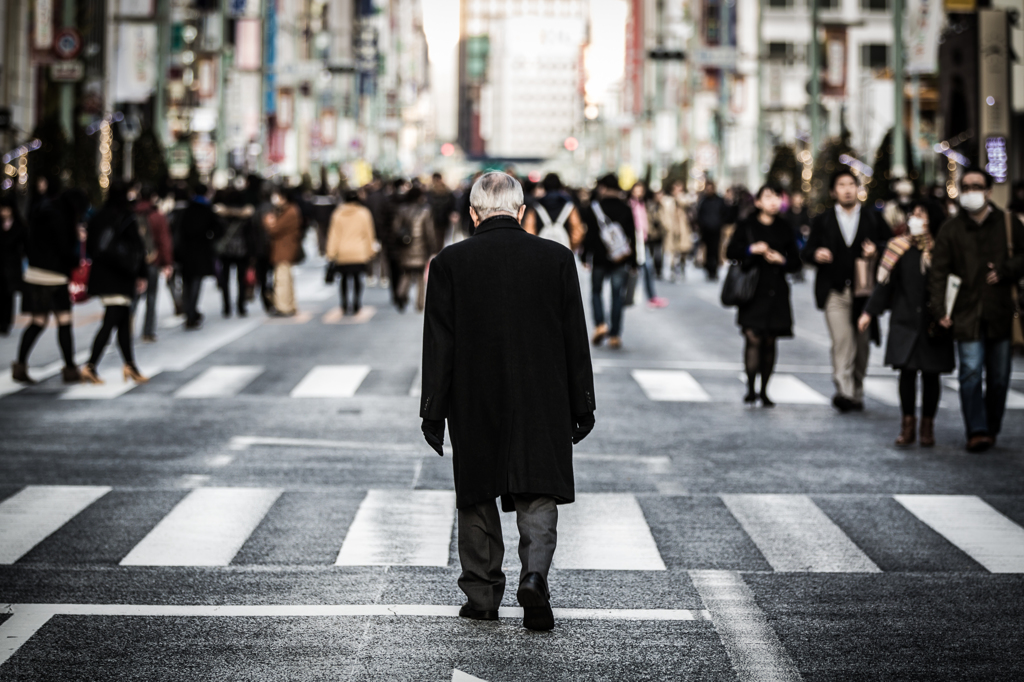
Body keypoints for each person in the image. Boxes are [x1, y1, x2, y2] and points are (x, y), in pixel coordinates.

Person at [419, 171, 596, 632]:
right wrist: (582, 403)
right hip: (543, 392)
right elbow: (573, 338)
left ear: (473, 214)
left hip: (474, 395)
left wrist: (433, 411)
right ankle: (534, 575)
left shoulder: (449, 263)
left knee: (477, 491)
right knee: (537, 488)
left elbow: (440, 344)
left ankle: (482, 596)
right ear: (521, 212)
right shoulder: (556, 259)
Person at [928, 169, 1024, 452]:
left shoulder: (1007, 223)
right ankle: (977, 429)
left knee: (999, 376)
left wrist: (1007, 271)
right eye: (966, 186)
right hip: (966, 312)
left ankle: (991, 426)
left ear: (989, 191)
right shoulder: (951, 228)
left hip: (1000, 311)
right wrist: (940, 309)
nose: (971, 191)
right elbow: (938, 272)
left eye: (977, 186)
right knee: (969, 372)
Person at [858, 201, 954, 446]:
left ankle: (927, 428)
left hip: (934, 322)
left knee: (932, 376)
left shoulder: (942, 249)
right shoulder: (898, 247)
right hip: (905, 321)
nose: (915, 218)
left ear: (932, 219)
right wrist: (869, 312)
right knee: (907, 374)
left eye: (921, 214)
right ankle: (907, 425)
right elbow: (885, 285)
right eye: (913, 214)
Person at [802, 170, 891, 412]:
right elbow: (807, 251)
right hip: (835, 290)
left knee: (861, 345)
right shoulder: (823, 219)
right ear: (833, 191)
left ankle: (857, 388)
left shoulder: (873, 217)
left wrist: (877, 250)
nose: (847, 189)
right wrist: (816, 254)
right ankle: (845, 391)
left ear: (858, 188)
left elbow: (892, 247)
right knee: (842, 341)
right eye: (841, 185)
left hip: (865, 293)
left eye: (851, 184)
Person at [725, 184, 802, 406]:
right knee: (752, 338)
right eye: (768, 197)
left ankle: (765, 390)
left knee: (770, 341)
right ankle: (750, 387)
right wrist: (752, 249)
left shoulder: (785, 227)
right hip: (752, 290)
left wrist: (782, 260)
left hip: (776, 289)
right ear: (757, 202)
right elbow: (731, 252)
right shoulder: (746, 225)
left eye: (777, 196)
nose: (773, 201)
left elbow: (796, 262)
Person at [12, 188, 89, 384]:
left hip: (35, 273)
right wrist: (75, 260)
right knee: (64, 321)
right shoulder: (62, 218)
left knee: (37, 321)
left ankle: (20, 365)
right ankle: (70, 369)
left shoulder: (42, 211)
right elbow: (64, 249)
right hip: (55, 277)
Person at [80, 182, 149, 384]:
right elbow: (138, 248)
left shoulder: (98, 217)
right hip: (121, 276)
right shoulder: (126, 218)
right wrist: (141, 274)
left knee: (122, 322)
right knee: (111, 321)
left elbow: (92, 247)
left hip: (103, 274)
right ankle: (91, 365)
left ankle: (130, 365)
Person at [580, 174, 637, 349]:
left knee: (596, 291)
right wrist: (634, 261)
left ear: (603, 187)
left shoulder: (594, 207)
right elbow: (632, 236)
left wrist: (585, 255)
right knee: (617, 295)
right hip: (620, 259)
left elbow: (589, 235)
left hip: (599, 258)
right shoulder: (626, 208)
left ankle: (600, 324)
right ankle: (615, 335)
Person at [173, 183, 224, 329]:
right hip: (201, 250)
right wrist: (210, 238)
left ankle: (189, 311)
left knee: (186, 281)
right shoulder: (207, 209)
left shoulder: (186, 210)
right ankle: (191, 312)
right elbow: (219, 228)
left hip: (186, 251)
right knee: (196, 282)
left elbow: (179, 231)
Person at [326, 190, 377, 315]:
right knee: (357, 278)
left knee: (343, 279)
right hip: (359, 252)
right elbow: (369, 233)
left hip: (342, 252)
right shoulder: (364, 213)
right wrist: (371, 251)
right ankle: (356, 303)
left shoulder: (338, 214)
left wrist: (331, 253)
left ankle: (344, 304)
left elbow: (334, 235)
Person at [134, 184, 173, 342]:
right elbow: (164, 241)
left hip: (134, 262)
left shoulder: (132, 213)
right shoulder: (157, 216)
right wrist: (166, 263)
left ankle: (126, 328)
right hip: (152, 260)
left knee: (133, 297)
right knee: (151, 297)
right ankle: (148, 331)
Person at [213, 188, 257, 318]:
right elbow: (250, 235)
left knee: (224, 280)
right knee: (241, 279)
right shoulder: (246, 214)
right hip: (242, 250)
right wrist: (252, 251)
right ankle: (241, 306)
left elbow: (217, 232)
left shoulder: (220, 213)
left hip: (225, 250)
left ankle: (226, 307)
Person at [393, 186, 437, 312]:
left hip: (405, 248)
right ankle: (420, 303)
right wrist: (433, 248)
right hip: (421, 248)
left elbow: (395, 228)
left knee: (406, 273)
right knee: (419, 277)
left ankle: (401, 294)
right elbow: (430, 232)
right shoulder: (425, 211)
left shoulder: (401, 210)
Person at [265, 188, 303, 317]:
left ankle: (283, 306)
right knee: (286, 278)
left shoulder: (289, 212)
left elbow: (275, 229)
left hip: (284, 249)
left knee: (282, 279)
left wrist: (269, 223)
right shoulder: (291, 210)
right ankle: (289, 305)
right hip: (286, 249)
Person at [522, 173, 586, 249]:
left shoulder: (535, 207)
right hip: (563, 253)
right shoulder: (569, 207)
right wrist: (570, 247)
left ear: (544, 187)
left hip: (542, 253)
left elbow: (529, 232)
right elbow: (577, 232)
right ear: (560, 186)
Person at [629, 181, 667, 308]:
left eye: (640, 190)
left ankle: (650, 296)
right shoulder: (630, 204)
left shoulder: (643, 204)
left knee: (647, 268)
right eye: (636, 190)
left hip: (643, 240)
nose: (638, 193)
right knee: (643, 268)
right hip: (634, 241)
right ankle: (633, 295)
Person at [0, 195, 28, 336]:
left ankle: (6, 323)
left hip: (12, 265)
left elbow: (25, 244)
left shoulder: (19, 225)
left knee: (9, 295)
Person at [694, 180, 731, 281]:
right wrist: (702, 225)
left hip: (716, 229)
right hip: (706, 230)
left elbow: (725, 213)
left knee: (715, 250)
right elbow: (699, 214)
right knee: (707, 251)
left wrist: (720, 223)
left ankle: (714, 270)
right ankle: (708, 269)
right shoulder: (704, 201)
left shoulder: (719, 200)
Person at [658, 180, 693, 282]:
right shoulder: (666, 201)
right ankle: (673, 270)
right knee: (672, 252)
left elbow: (686, 203)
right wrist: (666, 226)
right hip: (671, 230)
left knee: (683, 251)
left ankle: (682, 268)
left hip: (683, 229)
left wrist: (679, 197)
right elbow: (662, 214)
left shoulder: (684, 198)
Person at [784, 190, 811, 282]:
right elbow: (786, 225)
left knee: (802, 254)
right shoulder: (788, 212)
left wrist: (806, 229)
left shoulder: (805, 210)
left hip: (801, 237)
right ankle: (794, 271)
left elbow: (808, 223)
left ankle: (800, 272)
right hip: (792, 237)